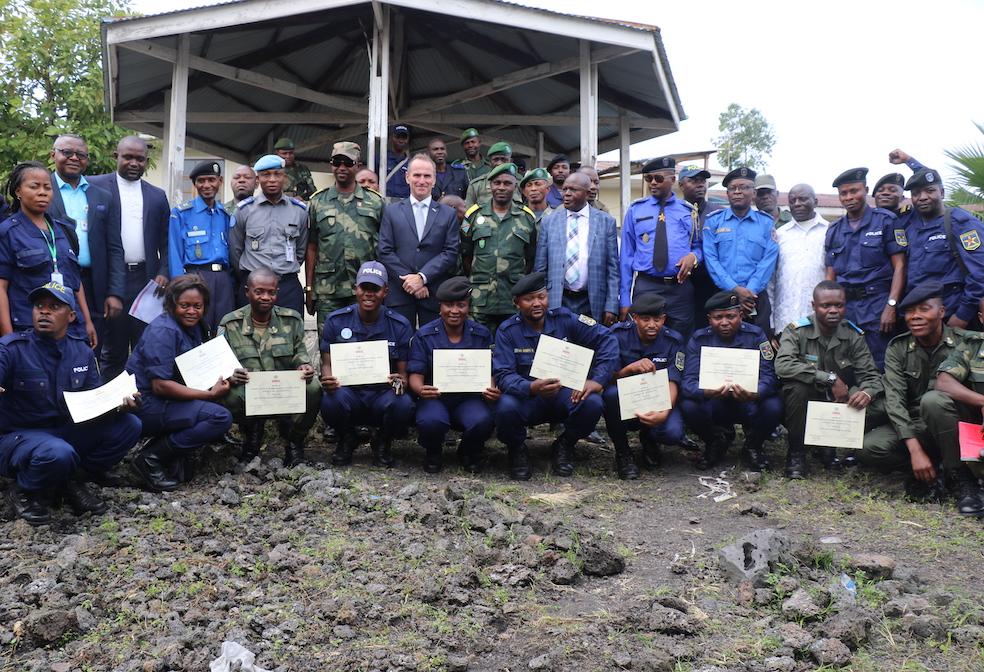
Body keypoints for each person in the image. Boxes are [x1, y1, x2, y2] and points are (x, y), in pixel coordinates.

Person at [0, 282, 142, 525]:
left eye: (54, 306)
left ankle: (71, 480)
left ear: (72, 315)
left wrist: (119, 404)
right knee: (58, 452)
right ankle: (26, 491)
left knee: (130, 424)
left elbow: (93, 400)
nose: (44, 312)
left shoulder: (81, 352)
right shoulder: (12, 348)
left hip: (65, 431)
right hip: (20, 436)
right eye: (39, 306)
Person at [858, 282, 978, 511]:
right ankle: (930, 469)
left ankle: (962, 478)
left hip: (955, 425)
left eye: (924, 309)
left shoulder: (966, 343)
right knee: (870, 448)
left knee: (933, 401)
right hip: (917, 425)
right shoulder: (898, 348)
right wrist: (915, 451)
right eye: (910, 311)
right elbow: (895, 400)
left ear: (941, 312)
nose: (915, 317)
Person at [493, 272, 618, 479]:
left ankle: (565, 444)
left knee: (593, 402)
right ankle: (517, 448)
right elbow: (504, 374)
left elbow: (608, 339)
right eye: (529, 299)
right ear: (516, 303)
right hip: (528, 397)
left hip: (564, 394)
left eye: (541, 297)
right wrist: (531, 387)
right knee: (505, 406)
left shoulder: (565, 318)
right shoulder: (507, 331)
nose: (536, 303)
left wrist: (596, 380)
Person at [126, 275, 237, 491]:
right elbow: (160, 385)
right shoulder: (164, 331)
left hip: (169, 399)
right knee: (219, 417)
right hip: (146, 403)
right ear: (171, 304)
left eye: (198, 306)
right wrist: (210, 395)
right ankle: (150, 459)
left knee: (226, 398)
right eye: (184, 305)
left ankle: (172, 450)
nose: (192, 311)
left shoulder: (195, 326)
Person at [774, 281, 886, 478]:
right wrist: (830, 378)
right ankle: (797, 453)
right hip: (804, 399)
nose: (833, 310)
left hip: (838, 401)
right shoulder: (797, 331)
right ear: (814, 306)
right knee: (797, 388)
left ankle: (832, 445)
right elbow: (783, 365)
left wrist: (866, 392)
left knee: (870, 400)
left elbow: (870, 375)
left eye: (839, 305)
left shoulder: (853, 335)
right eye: (826, 306)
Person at [218, 269, 320, 467]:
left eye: (271, 292)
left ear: (277, 293)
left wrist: (304, 366)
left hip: (283, 391)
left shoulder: (291, 320)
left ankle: (294, 440)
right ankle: (251, 434)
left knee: (313, 387)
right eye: (259, 292)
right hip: (249, 392)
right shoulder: (230, 323)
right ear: (247, 292)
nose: (265, 297)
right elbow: (220, 365)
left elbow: (300, 352)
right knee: (228, 394)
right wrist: (231, 376)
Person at [88, 136, 171, 379]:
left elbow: (167, 242)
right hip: (108, 279)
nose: (134, 163)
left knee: (146, 346)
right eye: (128, 157)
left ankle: (142, 406)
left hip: (147, 282)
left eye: (140, 159)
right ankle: (111, 408)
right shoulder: (94, 186)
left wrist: (164, 272)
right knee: (112, 349)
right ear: (116, 156)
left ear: (146, 161)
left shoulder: (157, 196)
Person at [319, 261, 414, 467]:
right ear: (356, 289)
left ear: (385, 292)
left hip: (382, 395)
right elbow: (326, 362)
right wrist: (328, 379)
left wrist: (400, 383)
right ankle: (347, 438)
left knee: (403, 402)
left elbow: (403, 373)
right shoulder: (336, 321)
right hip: (349, 394)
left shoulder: (399, 325)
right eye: (364, 288)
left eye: (375, 289)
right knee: (330, 399)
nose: (369, 294)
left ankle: (383, 441)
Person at [680, 291, 782, 471]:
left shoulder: (756, 336)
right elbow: (688, 381)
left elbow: (769, 376)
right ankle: (714, 442)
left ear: (741, 316)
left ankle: (753, 445)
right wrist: (705, 391)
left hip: (748, 401)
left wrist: (755, 392)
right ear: (709, 318)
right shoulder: (699, 339)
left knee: (774, 405)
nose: (725, 322)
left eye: (730, 316)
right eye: (718, 317)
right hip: (714, 402)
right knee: (688, 404)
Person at [408, 276, 498, 473]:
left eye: (461, 305)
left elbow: (490, 370)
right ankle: (433, 451)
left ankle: (468, 450)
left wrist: (492, 388)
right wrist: (420, 389)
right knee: (432, 420)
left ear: (468, 307)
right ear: (440, 307)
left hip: (469, 399)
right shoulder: (425, 335)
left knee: (482, 419)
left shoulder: (481, 334)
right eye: (449, 305)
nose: (455, 311)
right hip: (435, 398)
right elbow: (415, 373)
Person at [0, 162, 96, 346]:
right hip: (28, 331)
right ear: (18, 191)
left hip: (70, 330)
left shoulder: (65, 230)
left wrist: (87, 321)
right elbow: (1, 288)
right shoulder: (7, 232)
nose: (42, 192)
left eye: (47, 187)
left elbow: (76, 282)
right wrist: (8, 338)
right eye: (34, 186)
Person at [824, 167, 906, 370]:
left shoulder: (886, 221)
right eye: (844, 193)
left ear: (866, 190)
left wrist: (891, 305)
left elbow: (900, 266)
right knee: (845, 365)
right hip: (846, 309)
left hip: (877, 306)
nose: (849, 197)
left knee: (879, 365)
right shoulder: (834, 230)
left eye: (854, 191)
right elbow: (830, 275)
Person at [602, 293, 686, 479]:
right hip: (625, 402)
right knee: (609, 395)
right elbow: (606, 378)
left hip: (658, 401)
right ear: (635, 318)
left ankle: (650, 438)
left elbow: (674, 379)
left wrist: (664, 412)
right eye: (645, 319)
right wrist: (629, 369)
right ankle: (623, 452)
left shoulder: (674, 340)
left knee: (673, 433)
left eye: (657, 319)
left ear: (664, 319)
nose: (651, 325)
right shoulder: (617, 335)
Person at [45, 134, 118, 348]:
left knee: (91, 346)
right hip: (53, 282)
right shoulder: (41, 189)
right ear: (53, 155)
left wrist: (114, 292)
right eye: (67, 152)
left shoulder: (102, 196)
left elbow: (114, 247)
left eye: (81, 154)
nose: (74, 158)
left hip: (94, 285)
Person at [306, 142, 386, 333]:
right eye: (337, 162)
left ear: (357, 165)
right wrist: (309, 288)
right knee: (328, 343)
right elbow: (311, 246)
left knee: (366, 342)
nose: (342, 167)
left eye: (348, 162)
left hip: (366, 287)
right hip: (328, 289)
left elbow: (384, 247)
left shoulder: (375, 202)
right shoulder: (317, 201)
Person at [619, 156, 701, 338]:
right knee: (645, 339)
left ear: (672, 179)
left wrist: (693, 258)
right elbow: (626, 257)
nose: (653, 183)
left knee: (680, 341)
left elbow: (698, 246)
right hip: (647, 285)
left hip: (679, 288)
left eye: (659, 178)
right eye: (649, 179)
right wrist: (624, 298)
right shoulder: (635, 210)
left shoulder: (689, 211)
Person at [377, 154, 460, 327]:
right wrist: (410, 280)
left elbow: (450, 252)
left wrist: (422, 277)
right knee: (399, 350)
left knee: (431, 348)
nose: (422, 180)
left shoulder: (448, 214)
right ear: (407, 178)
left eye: (427, 176)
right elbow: (384, 251)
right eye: (417, 175)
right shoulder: (391, 212)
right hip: (399, 294)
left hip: (432, 293)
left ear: (434, 180)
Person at [902, 168, 984, 328]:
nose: (923, 197)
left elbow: (980, 275)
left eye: (930, 191)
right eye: (916, 193)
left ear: (942, 192)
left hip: (952, 317)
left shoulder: (961, 223)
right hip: (919, 318)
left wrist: (962, 316)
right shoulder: (910, 226)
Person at [460, 163, 538, 331]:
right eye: (497, 183)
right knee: (479, 348)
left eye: (507, 183)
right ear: (490, 186)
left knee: (512, 347)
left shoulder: (527, 218)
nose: (501, 187)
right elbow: (465, 254)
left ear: (515, 186)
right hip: (480, 300)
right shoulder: (471, 216)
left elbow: (530, 257)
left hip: (513, 298)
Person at [703, 167, 779, 336]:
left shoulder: (766, 223)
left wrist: (749, 292)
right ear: (728, 193)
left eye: (744, 187)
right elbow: (711, 259)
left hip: (756, 299)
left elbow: (768, 261)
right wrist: (736, 289)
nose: (737, 192)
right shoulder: (714, 221)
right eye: (732, 188)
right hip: (722, 296)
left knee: (759, 349)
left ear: (753, 193)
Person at [534, 172, 619, 325]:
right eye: (564, 189)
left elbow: (613, 268)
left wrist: (611, 305)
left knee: (589, 346)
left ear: (587, 193)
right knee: (557, 346)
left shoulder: (606, 222)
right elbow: (540, 267)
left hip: (592, 300)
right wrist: (541, 300)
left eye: (573, 190)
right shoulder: (549, 222)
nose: (566, 194)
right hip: (558, 298)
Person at [230, 154, 309, 315]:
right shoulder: (244, 210)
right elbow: (235, 251)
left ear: (284, 177)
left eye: (277, 174)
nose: (272, 179)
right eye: (266, 175)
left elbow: (300, 251)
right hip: (253, 286)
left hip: (286, 285)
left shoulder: (299, 211)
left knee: (290, 334)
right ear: (258, 180)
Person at [167, 161, 235, 331]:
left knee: (223, 329)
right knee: (196, 330)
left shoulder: (225, 215)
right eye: (201, 181)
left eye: (211, 180)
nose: (206, 185)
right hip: (195, 278)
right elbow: (174, 252)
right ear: (195, 184)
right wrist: (179, 287)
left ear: (220, 181)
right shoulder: (181, 213)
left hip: (223, 280)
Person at [932, 295, 984, 515]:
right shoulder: (972, 347)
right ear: (981, 318)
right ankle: (964, 480)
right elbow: (943, 382)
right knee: (933, 402)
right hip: (978, 431)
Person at [768, 184, 829, 333]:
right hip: (785, 321)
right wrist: (771, 323)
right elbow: (771, 281)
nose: (797, 204)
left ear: (815, 201)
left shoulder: (829, 231)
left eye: (803, 199)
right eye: (792, 200)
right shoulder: (780, 235)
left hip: (820, 321)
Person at [679, 165, 723, 333]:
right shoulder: (674, 212)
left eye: (702, 181)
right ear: (681, 185)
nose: (700, 184)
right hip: (681, 284)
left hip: (711, 285)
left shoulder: (718, 213)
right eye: (693, 180)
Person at [464, 142, 519, 207]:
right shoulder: (476, 185)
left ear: (511, 161)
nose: (499, 163)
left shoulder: (520, 182)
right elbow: (468, 212)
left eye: (504, 159)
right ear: (490, 162)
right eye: (496, 159)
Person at [385, 125, 412, 200]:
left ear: (408, 139)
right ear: (392, 138)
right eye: (398, 137)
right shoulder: (381, 159)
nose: (401, 140)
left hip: (405, 202)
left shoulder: (411, 163)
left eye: (404, 137)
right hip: (385, 200)